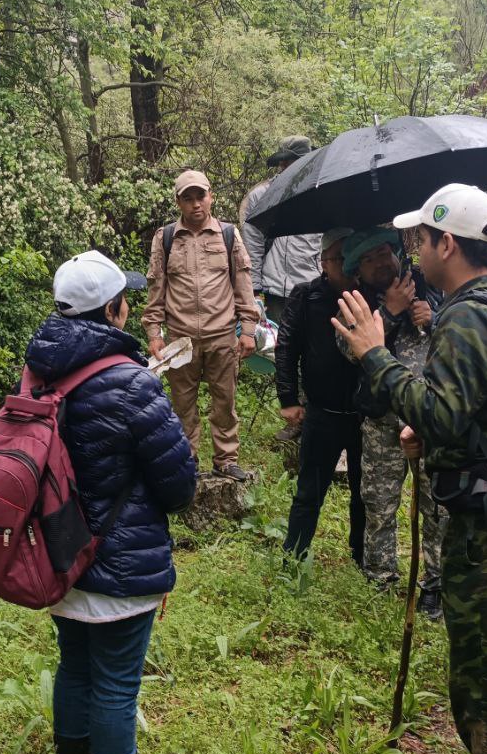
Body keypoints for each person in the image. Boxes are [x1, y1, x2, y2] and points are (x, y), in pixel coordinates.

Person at [334, 184, 487, 754]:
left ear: (447, 244)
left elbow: (444, 411)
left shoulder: (466, 313)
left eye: (420, 239)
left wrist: (375, 356)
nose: (413, 250)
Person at [32, 250, 195, 754]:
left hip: (58, 555)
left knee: (75, 669)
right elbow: (179, 485)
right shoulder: (131, 383)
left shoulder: (38, 373)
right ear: (113, 311)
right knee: (117, 685)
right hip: (120, 566)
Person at [343, 226, 446, 616]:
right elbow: (350, 350)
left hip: (428, 415)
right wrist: (391, 312)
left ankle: (434, 584)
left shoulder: (432, 286)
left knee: (436, 504)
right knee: (380, 503)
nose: (380, 262)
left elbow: (459, 337)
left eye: (384, 252)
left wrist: (432, 316)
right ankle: (380, 578)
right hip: (381, 421)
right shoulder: (355, 303)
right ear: (358, 271)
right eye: (369, 259)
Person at [144, 170, 261, 482]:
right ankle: (188, 461)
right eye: (188, 198)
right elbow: (156, 287)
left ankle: (226, 460)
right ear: (178, 202)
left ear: (211, 197)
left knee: (225, 403)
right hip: (180, 341)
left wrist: (248, 330)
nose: (196, 204)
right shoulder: (165, 238)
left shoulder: (227, 234)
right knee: (183, 406)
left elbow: (243, 283)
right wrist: (154, 333)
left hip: (222, 335)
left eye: (201, 196)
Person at [276, 227, 365, 565]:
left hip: (363, 416)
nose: (346, 264)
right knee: (308, 492)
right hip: (321, 412)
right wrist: (288, 398)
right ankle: (294, 560)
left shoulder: (369, 293)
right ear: (323, 262)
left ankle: (363, 560)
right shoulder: (306, 296)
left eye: (349, 256)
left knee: (364, 495)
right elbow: (286, 347)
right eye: (338, 258)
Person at [240, 135, 320, 325]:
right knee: (278, 350)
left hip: (316, 290)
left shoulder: (320, 194)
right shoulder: (261, 197)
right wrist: (254, 293)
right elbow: (252, 247)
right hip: (276, 292)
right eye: (284, 161)